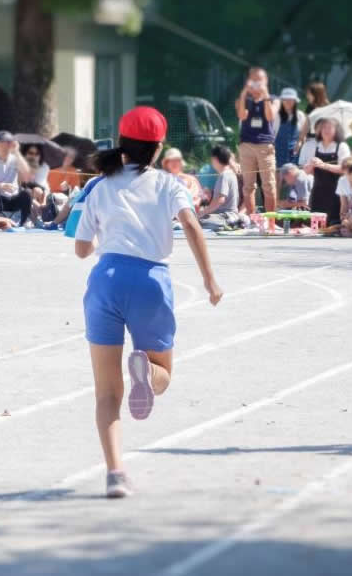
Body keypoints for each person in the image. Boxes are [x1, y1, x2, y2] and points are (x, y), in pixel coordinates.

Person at [74, 106, 222, 498]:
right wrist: (209, 279)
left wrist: (99, 240)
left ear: (121, 145)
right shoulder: (169, 184)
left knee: (106, 393)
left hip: (105, 281)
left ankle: (115, 473)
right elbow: (191, 224)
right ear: (157, 149)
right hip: (150, 281)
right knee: (163, 374)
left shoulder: (99, 186)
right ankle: (146, 372)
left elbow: (80, 248)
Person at [235, 66, 280, 214]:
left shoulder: (274, 99)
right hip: (246, 145)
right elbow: (242, 115)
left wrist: (265, 94)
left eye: (259, 80)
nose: (256, 83)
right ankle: (252, 219)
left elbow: (270, 116)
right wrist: (244, 93)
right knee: (248, 186)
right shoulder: (245, 99)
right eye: (253, 80)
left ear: (266, 81)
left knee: (269, 185)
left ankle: (270, 221)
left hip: (265, 146)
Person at [300, 117, 350, 224]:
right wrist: (311, 165)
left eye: (329, 127)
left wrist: (323, 165)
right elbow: (306, 171)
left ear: (336, 130)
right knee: (315, 223)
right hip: (318, 190)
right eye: (323, 128)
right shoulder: (315, 146)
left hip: (336, 192)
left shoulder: (342, 146)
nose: (326, 130)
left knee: (333, 222)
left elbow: (345, 168)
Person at [0, 131, 32, 226]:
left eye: (9, 143)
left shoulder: (15, 159)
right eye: (3, 143)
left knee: (27, 193)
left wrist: (17, 152)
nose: (6, 146)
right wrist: (1, 186)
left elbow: (27, 175)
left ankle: (23, 223)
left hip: (14, 198)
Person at [197, 145, 242, 230]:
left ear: (215, 159)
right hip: (227, 215)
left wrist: (203, 212)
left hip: (226, 216)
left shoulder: (224, 175)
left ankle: (229, 224)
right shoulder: (230, 173)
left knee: (197, 221)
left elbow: (220, 200)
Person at [274, 87, 307, 167]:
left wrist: (300, 142)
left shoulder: (300, 115)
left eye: (291, 100)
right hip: (278, 152)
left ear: (295, 101)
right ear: (281, 101)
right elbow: (272, 134)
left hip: (295, 153)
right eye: (285, 99)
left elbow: (303, 134)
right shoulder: (275, 115)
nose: (288, 102)